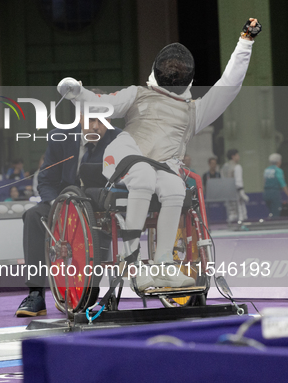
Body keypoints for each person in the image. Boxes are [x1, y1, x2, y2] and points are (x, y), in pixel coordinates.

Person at [57, 18, 260, 290]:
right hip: (124, 158)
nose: (174, 71)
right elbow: (101, 104)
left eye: (179, 68)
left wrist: (245, 41)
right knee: (142, 175)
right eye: (170, 67)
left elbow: (229, 85)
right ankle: (132, 263)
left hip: (163, 167)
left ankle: (163, 265)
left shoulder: (194, 111)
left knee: (176, 187)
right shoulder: (137, 95)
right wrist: (77, 92)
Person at [15, 113, 121, 317]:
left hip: (98, 205)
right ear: (80, 118)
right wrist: (58, 207)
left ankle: (90, 292)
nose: (97, 126)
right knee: (33, 217)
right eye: (92, 120)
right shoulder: (59, 138)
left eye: (103, 121)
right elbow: (45, 180)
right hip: (63, 202)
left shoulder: (117, 138)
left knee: (99, 222)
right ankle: (36, 295)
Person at [221, 148, 249, 226]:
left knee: (231, 211)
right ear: (233, 156)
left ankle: (231, 225)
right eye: (237, 155)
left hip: (227, 192)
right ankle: (241, 225)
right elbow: (238, 182)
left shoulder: (224, 167)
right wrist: (242, 193)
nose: (238, 157)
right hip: (236, 192)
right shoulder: (237, 167)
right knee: (240, 210)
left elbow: (222, 179)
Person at [263, 153, 288, 218]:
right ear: (278, 161)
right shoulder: (278, 170)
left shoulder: (266, 170)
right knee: (276, 213)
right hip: (274, 193)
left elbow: (264, 181)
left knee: (271, 212)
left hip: (266, 193)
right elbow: (283, 184)